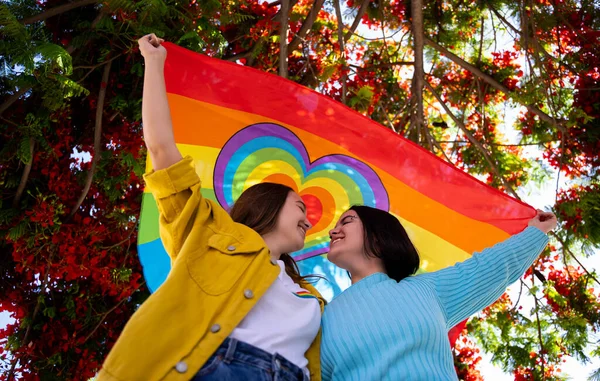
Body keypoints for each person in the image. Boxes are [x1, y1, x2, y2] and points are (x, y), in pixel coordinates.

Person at [97, 34, 325, 381]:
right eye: (299, 208)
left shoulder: (313, 297)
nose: (308, 222)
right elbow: (160, 148)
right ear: (269, 205)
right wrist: (154, 62)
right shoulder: (207, 230)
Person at [320, 205, 556, 380]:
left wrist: (535, 232)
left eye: (347, 221)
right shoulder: (322, 317)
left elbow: (489, 267)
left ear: (379, 235)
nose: (333, 231)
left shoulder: (424, 290)